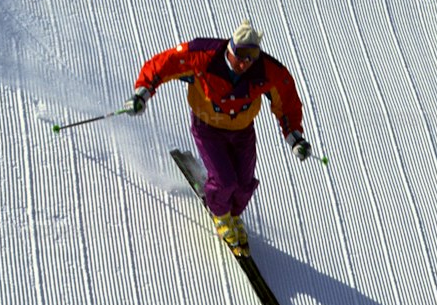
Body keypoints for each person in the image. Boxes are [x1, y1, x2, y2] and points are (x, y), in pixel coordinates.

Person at [126, 20, 312, 251]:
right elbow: (164, 64)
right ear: (230, 49)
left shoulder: (265, 70)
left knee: (244, 183)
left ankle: (234, 215)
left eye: (252, 56)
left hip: (242, 131)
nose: (245, 63)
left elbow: (287, 98)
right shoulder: (203, 55)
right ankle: (221, 215)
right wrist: (143, 92)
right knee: (225, 181)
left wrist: (294, 135)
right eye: (241, 55)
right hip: (208, 128)